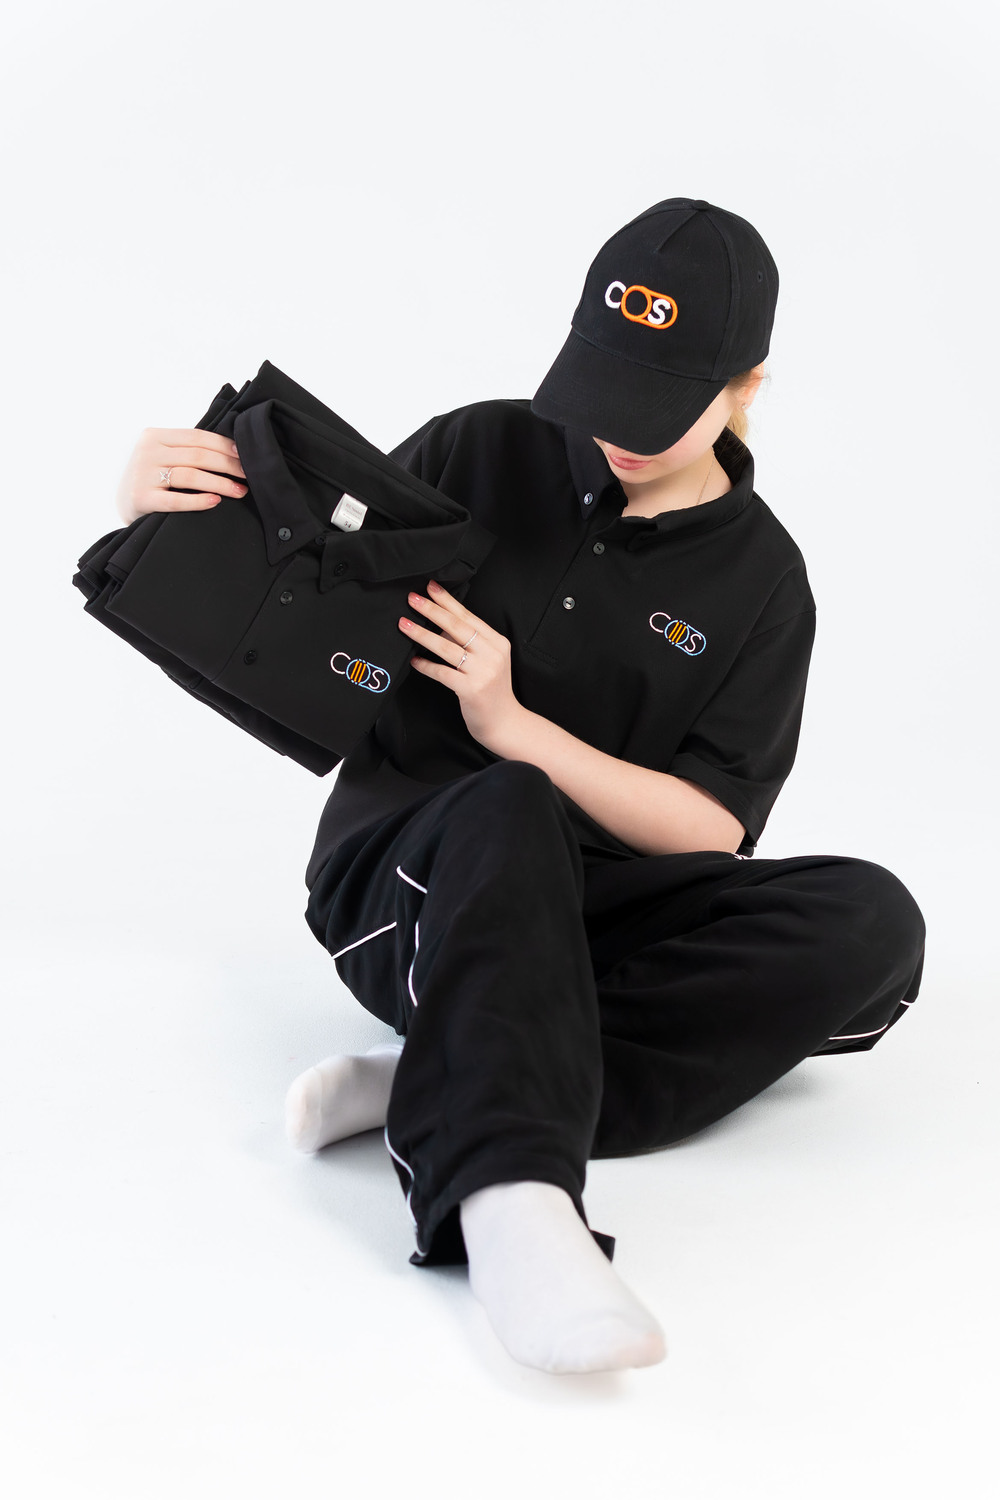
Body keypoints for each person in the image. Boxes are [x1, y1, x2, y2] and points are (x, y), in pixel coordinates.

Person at [114, 197, 926, 1378]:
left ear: (746, 385)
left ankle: (442, 1070)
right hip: (408, 886)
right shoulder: (478, 450)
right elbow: (295, 612)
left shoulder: (763, 580)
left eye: (657, 404)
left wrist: (516, 724)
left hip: (594, 916)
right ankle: (509, 1199)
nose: (616, 434)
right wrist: (158, 515)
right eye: (603, 388)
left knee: (873, 923)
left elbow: (710, 830)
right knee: (508, 803)